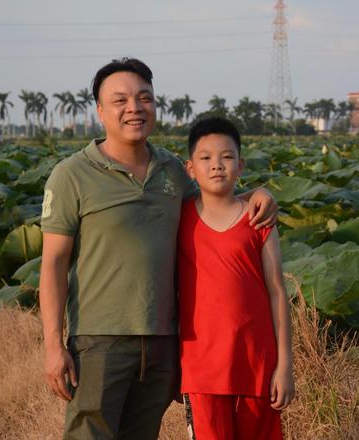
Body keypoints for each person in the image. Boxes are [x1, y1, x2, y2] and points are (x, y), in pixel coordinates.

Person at [39, 58, 277, 440]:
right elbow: (53, 264)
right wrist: (54, 345)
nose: (134, 108)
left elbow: (215, 203)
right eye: (120, 100)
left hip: (163, 339)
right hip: (100, 340)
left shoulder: (171, 170)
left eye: (144, 98)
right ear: (100, 111)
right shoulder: (72, 175)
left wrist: (257, 193)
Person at [178, 117, 295, 440]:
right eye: (205, 158)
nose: (216, 166)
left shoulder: (259, 219)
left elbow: (276, 292)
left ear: (240, 165)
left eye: (226, 157)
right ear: (190, 169)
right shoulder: (179, 218)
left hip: (257, 367)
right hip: (201, 372)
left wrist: (284, 366)